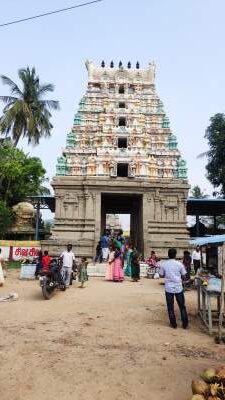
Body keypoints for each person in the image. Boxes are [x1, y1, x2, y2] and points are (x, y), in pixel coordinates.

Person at [160, 248, 188, 329]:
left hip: (168, 288)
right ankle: (185, 324)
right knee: (182, 306)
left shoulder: (164, 264)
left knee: (170, 307)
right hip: (178, 287)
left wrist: (167, 275)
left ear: (168, 255)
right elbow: (184, 275)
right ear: (175, 255)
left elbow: (161, 275)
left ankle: (174, 324)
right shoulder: (179, 264)